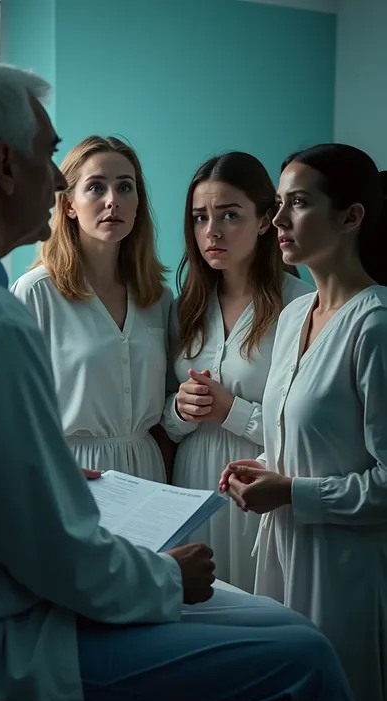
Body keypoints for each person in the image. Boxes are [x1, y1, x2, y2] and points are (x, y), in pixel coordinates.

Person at [0, 61, 356, 701]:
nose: (60, 181)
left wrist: (53, 478)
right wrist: (162, 580)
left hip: (105, 512)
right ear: (6, 166)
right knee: (302, 651)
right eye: (52, 157)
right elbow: (47, 547)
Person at [220, 143, 387, 701]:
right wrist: (263, 468)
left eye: (298, 203)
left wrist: (292, 492)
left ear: (352, 216)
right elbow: (307, 442)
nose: (277, 222)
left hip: (347, 569)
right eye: (277, 205)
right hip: (280, 554)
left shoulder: (375, 329)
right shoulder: (294, 315)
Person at [163, 152, 313, 591]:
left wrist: (229, 410)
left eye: (229, 215)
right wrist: (179, 408)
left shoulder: (300, 305)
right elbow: (165, 424)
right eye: (199, 217)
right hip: (192, 482)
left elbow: (306, 432)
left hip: (258, 483)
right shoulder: (185, 307)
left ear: (266, 220)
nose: (211, 231)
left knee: (261, 606)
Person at [12, 136, 174, 482]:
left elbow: (167, 411)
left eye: (125, 187)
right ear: (69, 204)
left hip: (146, 470)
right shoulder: (37, 294)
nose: (113, 200)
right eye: (96, 188)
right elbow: (8, 409)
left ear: (137, 204)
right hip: (70, 469)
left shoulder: (158, 298)